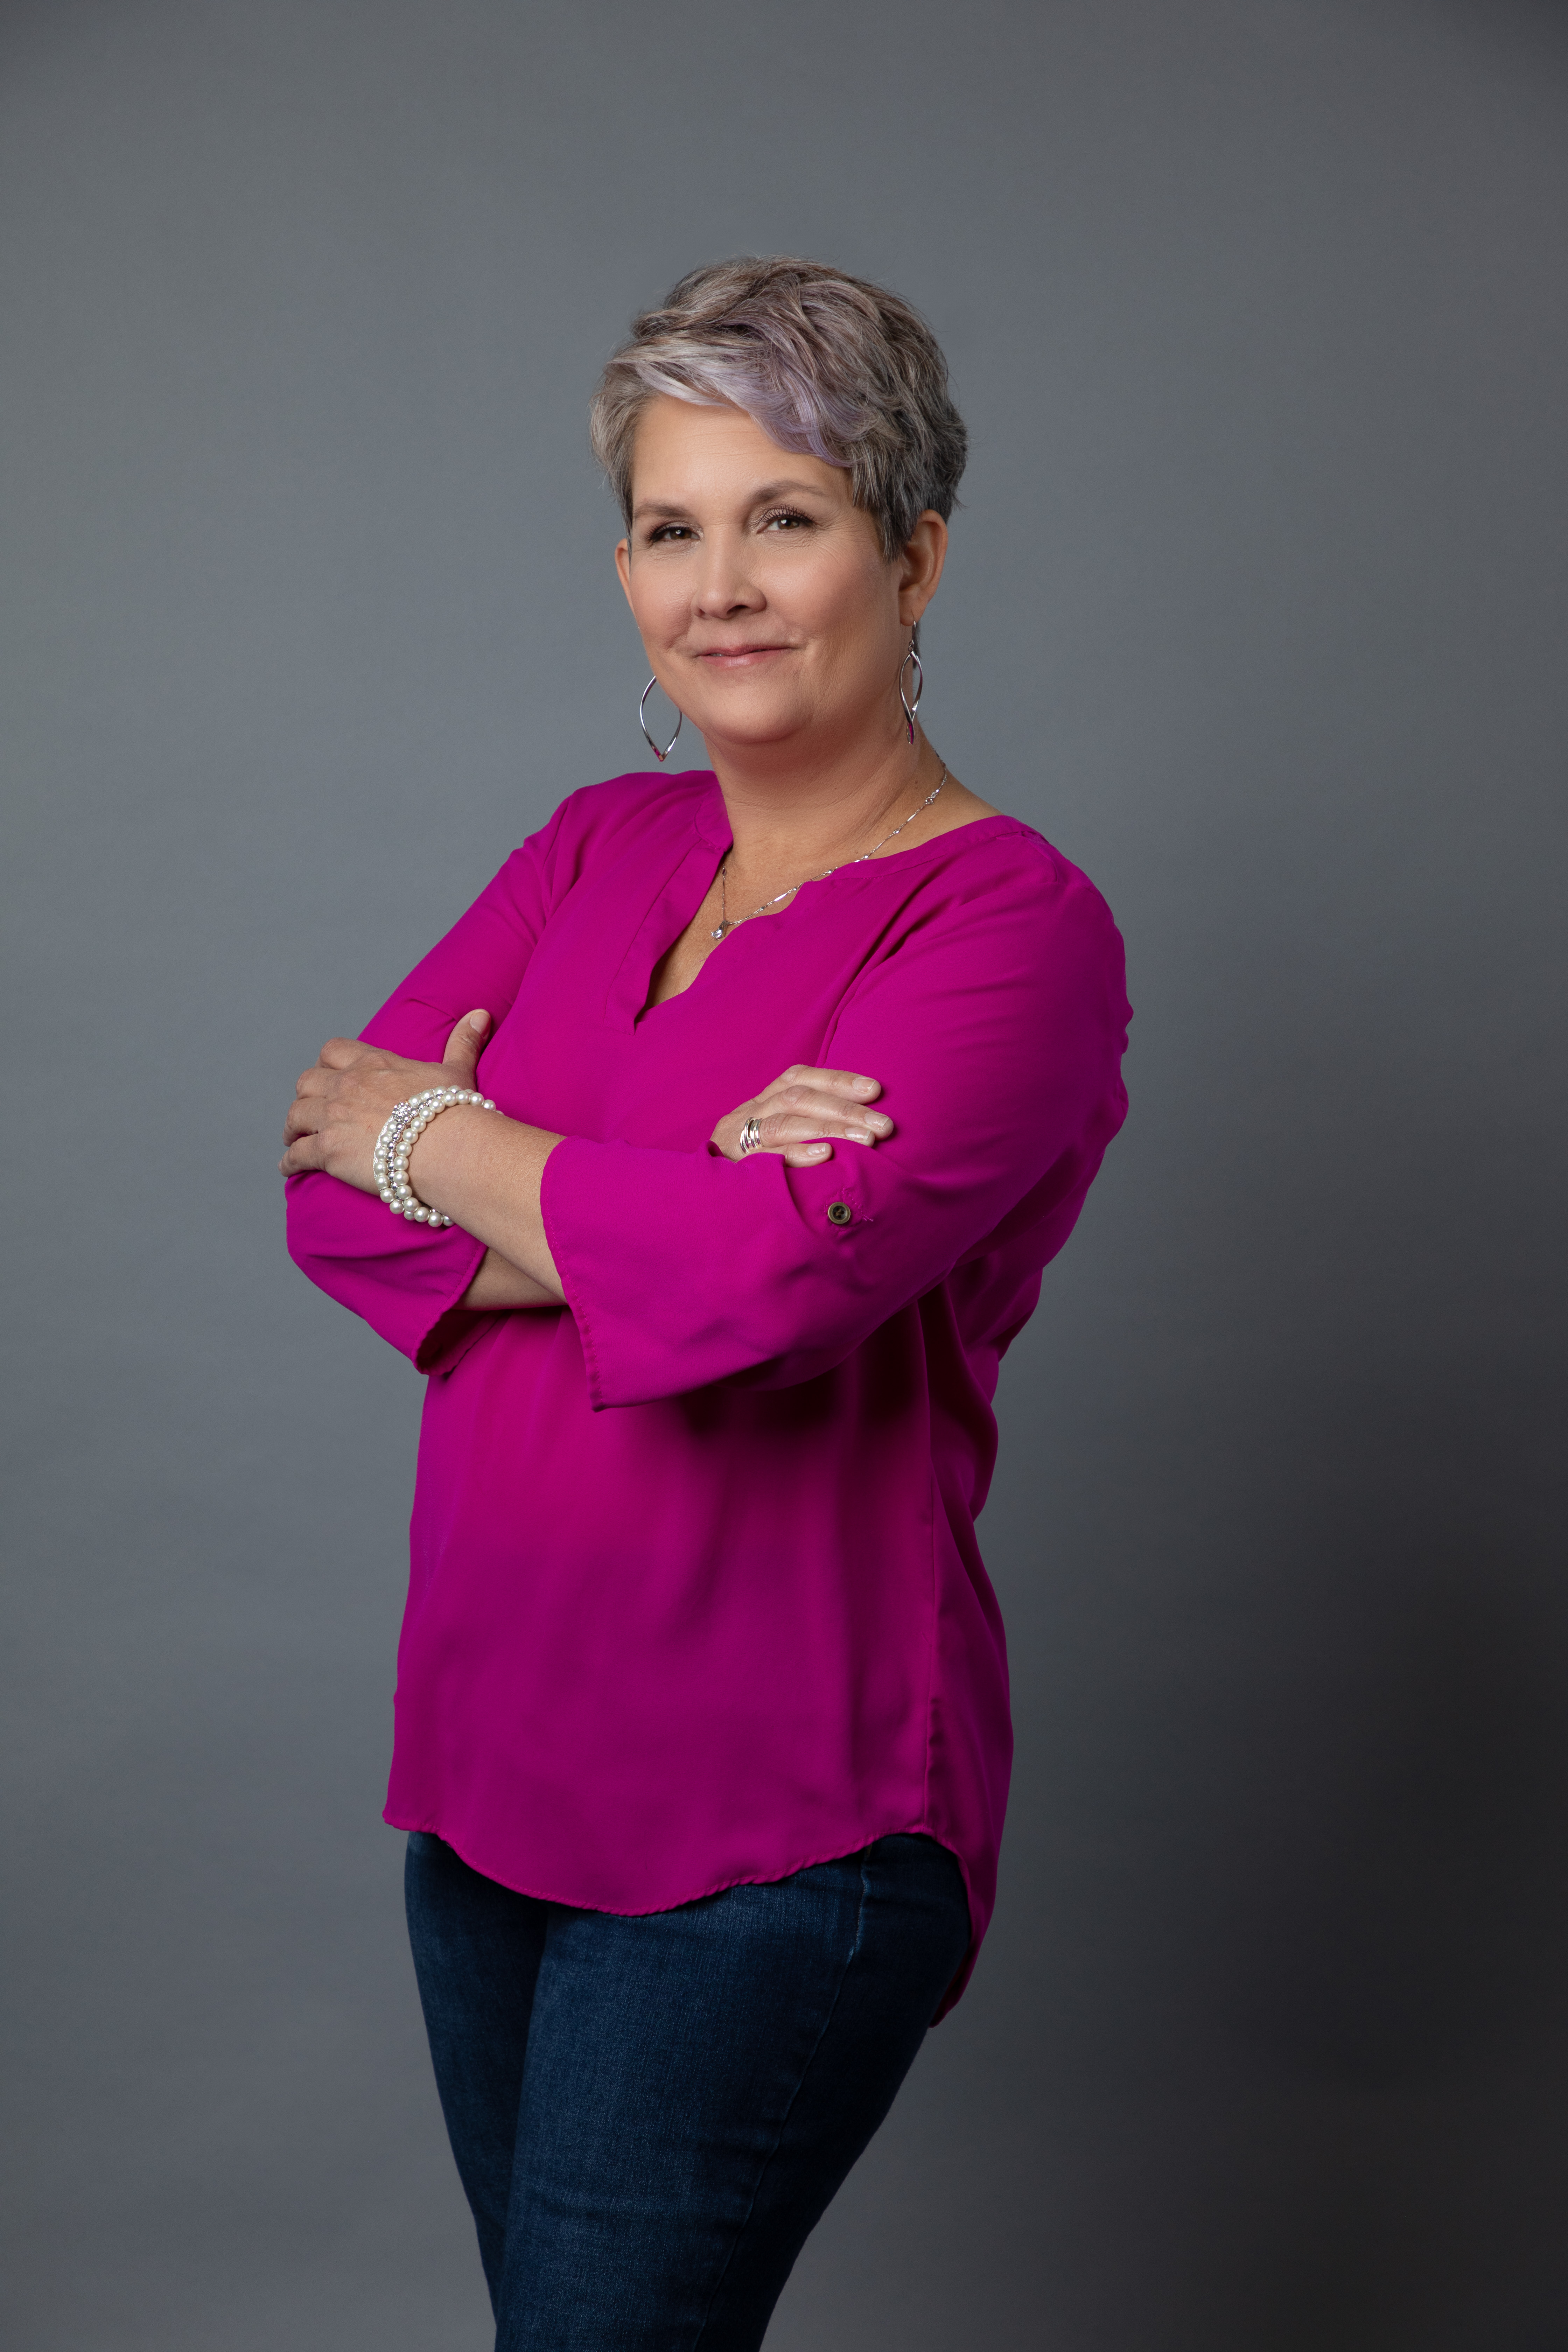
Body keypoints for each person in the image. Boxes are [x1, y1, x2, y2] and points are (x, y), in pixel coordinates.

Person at [282, 255, 1130, 2348]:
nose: (723, 584)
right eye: (674, 526)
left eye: (791, 516)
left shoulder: (1009, 926)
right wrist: (664, 1191)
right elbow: (324, 1188)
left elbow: (765, 1292)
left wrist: (462, 1150)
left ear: (916, 554)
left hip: (780, 1831)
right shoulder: (592, 849)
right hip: (486, 1785)